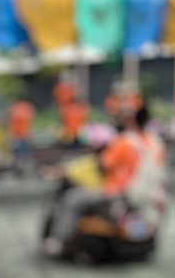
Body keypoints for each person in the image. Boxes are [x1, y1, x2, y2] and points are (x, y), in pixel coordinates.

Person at [45, 104, 163, 256]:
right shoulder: (156, 143)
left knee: (72, 199)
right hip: (149, 196)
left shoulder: (125, 141)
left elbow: (102, 164)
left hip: (119, 193)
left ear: (131, 120)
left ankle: (59, 241)